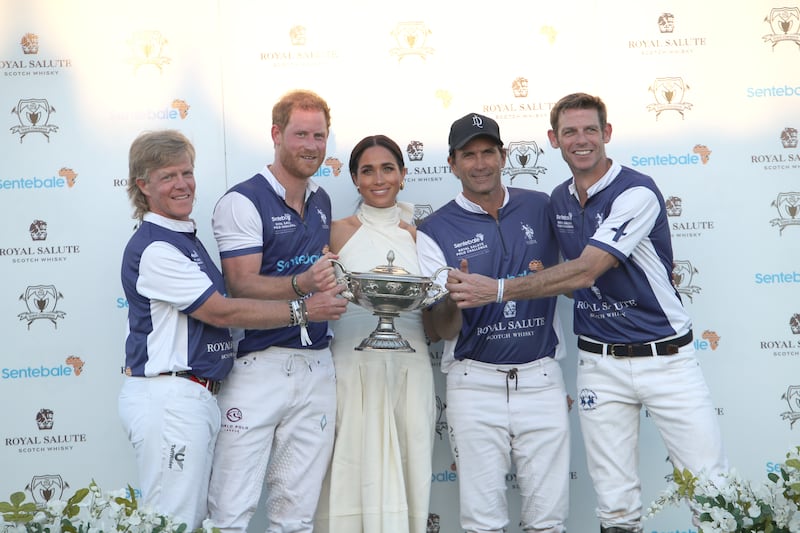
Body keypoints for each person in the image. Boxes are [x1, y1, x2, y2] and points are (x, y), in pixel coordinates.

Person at [445, 93, 728, 533]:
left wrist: (497, 290)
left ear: (607, 133)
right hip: (599, 364)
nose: (581, 140)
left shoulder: (635, 191)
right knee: (615, 506)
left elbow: (587, 270)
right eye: (570, 132)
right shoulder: (555, 201)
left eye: (590, 130)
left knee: (711, 492)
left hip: (667, 359)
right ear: (553, 139)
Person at [118, 129, 346, 530]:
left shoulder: (181, 237)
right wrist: (303, 309)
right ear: (143, 185)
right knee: (173, 522)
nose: (182, 184)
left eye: (186, 173)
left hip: (194, 393)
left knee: (191, 518)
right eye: (168, 176)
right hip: (170, 396)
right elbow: (221, 312)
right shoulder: (156, 247)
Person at [415, 113, 570, 533]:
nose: (480, 163)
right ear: (452, 163)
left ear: (503, 156)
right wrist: (454, 298)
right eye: (469, 155)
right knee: (483, 521)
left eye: (488, 152)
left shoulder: (543, 206)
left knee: (549, 520)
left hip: (541, 378)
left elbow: (577, 276)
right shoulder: (433, 230)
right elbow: (440, 329)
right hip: (474, 384)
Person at [208, 89, 347, 533]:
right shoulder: (242, 201)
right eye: (301, 134)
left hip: (317, 367)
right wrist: (302, 289)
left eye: (319, 136)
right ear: (276, 134)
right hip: (258, 365)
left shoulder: (321, 200)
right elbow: (240, 283)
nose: (311, 146)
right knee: (230, 511)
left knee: (296, 515)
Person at [314, 135, 436, 533]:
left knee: (408, 462)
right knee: (350, 467)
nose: (378, 178)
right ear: (354, 178)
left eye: (388, 168)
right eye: (367, 170)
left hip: (409, 366)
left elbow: (438, 311)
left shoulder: (421, 239)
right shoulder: (333, 234)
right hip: (351, 364)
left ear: (403, 175)